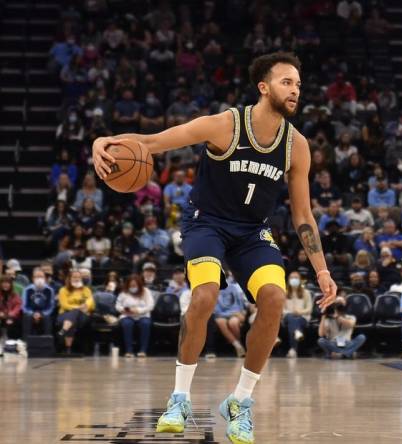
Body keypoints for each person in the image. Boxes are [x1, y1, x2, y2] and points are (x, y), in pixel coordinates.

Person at [92, 51, 337, 441]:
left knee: (274, 298)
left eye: (298, 84)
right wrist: (105, 140)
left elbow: (303, 215)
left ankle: (240, 403)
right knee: (205, 295)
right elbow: (154, 141)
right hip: (206, 222)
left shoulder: (298, 146)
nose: (295, 90)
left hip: (252, 232)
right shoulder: (224, 125)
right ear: (264, 87)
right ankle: (179, 398)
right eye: (286, 82)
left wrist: (322, 270)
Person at [116, 274, 155, 357]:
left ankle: (143, 350)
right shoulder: (124, 292)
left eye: (134, 285)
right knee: (127, 324)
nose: (132, 287)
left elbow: (150, 305)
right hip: (128, 315)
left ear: (139, 284)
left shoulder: (146, 291)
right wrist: (123, 309)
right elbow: (117, 305)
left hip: (142, 315)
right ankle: (129, 350)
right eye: (131, 285)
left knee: (145, 324)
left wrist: (138, 310)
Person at [56, 270, 95, 354]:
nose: (77, 279)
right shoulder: (63, 290)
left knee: (73, 316)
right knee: (73, 317)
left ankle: (64, 333)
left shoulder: (86, 290)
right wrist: (78, 307)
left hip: (82, 315)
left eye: (79, 277)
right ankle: (68, 348)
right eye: (74, 277)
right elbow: (64, 305)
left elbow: (91, 303)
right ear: (69, 278)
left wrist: (85, 306)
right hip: (64, 313)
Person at [213, 273, 249, 358]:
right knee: (220, 322)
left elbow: (239, 303)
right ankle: (237, 345)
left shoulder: (233, 287)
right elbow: (216, 309)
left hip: (235, 313)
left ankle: (239, 344)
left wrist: (241, 312)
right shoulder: (214, 289)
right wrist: (228, 314)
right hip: (221, 314)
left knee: (233, 323)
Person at [282, 271, 313, 358]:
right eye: (292, 278)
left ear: (300, 280)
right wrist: (291, 312)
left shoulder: (306, 293)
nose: (294, 280)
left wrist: (300, 312)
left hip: (302, 317)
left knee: (295, 320)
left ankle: (293, 349)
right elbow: (282, 310)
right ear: (288, 280)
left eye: (296, 278)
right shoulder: (285, 292)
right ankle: (297, 334)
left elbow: (309, 309)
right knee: (292, 318)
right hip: (287, 317)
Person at [21, 268, 56, 338]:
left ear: (45, 278)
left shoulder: (49, 290)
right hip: (30, 312)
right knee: (27, 317)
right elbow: (24, 306)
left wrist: (42, 314)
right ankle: (26, 342)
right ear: (33, 278)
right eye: (37, 277)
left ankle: (47, 342)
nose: (39, 279)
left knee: (47, 318)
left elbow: (51, 306)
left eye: (41, 277)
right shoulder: (27, 289)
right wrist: (32, 314)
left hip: (44, 312)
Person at [0, 276, 22, 341]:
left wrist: (11, 314)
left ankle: (12, 342)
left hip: (12, 316)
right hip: (1, 316)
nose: (5, 285)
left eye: (7, 283)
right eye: (3, 283)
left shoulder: (15, 295)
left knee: (12, 323)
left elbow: (18, 306)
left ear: (10, 284)